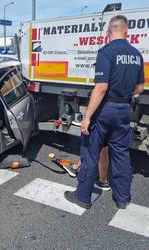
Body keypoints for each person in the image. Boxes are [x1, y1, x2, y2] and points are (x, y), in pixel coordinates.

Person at [64, 15, 145, 209]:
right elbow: (140, 88)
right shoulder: (136, 55)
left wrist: (87, 117)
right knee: (121, 153)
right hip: (124, 109)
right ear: (127, 31)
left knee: (91, 151)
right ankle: (122, 198)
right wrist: (125, 96)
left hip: (105, 110)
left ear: (109, 32)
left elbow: (100, 88)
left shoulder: (106, 53)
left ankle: (82, 197)